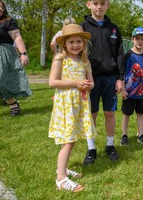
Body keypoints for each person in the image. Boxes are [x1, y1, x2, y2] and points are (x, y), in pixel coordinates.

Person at [48, 23, 96, 192]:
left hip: (80, 104)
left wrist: (88, 85)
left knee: (73, 138)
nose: (75, 45)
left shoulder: (84, 60)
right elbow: (52, 82)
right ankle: (61, 178)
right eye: (71, 42)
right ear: (64, 44)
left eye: (78, 41)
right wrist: (76, 83)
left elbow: (92, 82)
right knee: (68, 140)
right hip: (66, 104)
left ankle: (63, 167)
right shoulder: (60, 58)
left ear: (83, 43)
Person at [81, 0, 124, 164]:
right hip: (89, 79)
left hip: (110, 78)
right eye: (95, 3)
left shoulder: (113, 29)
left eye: (102, 3)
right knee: (92, 113)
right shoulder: (82, 28)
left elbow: (120, 54)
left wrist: (120, 78)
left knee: (109, 112)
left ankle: (110, 144)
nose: (98, 7)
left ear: (107, 5)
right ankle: (91, 148)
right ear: (88, 5)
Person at [120, 27, 143, 145]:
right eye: (137, 38)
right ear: (132, 39)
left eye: (142, 39)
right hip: (129, 92)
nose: (139, 41)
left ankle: (141, 134)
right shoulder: (128, 55)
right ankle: (124, 135)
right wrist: (123, 89)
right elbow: (121, 73)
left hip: (142, 93)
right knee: (126, 114)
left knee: (141, 114)